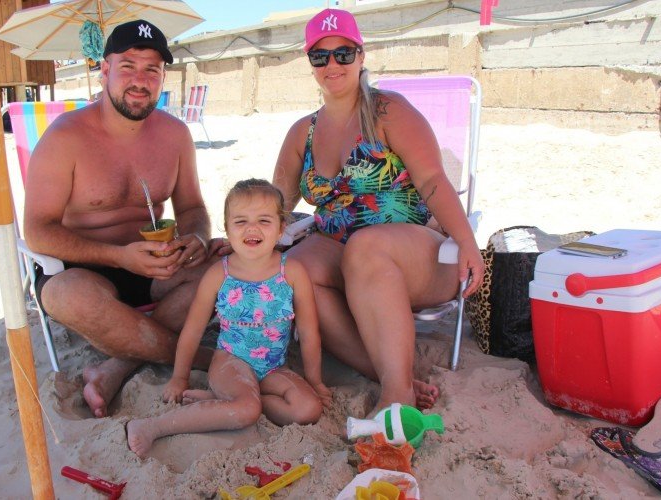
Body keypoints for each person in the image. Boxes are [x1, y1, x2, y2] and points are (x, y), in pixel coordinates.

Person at [272, 9, 485, 415]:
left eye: (343, 53)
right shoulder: (304, 132)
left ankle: (396, 395)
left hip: (415, 255)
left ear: (360, 56)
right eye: (320, 57)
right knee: (293, 273)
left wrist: (467, 241)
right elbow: (276, 205)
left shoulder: (388, 111)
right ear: (311, 64)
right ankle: (388, 373)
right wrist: (236, 239)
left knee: (367, 246)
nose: (332, 64)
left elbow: (432, 181)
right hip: (341, 249)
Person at [24, 19, 220, 418]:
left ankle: (119, 363)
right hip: (84, 267)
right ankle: (203, 359)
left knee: (232, 266)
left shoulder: (175, 135)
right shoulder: (65, 138)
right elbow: (37, 231)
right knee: (67, 296)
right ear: (104, 70)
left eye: (152, 69)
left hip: (157, 266)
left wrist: (197, 240)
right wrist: (120, 257)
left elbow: (193, 210)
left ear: (163, 76)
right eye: (128, 65)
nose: (140, 79)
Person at [126, 179, 332, 458]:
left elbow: (309, 332)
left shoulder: (292, 272)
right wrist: (179, 377)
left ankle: (221, 402)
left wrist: (316, 381)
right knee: (247, 410)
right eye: (241, 221)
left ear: (282, 228)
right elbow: (192, 330)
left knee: (308, 409)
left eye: (263, 220)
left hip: (272, 366)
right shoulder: (219, 275)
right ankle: (152, 426)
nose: (252, 228)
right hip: (230, 362)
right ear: (227, 227)